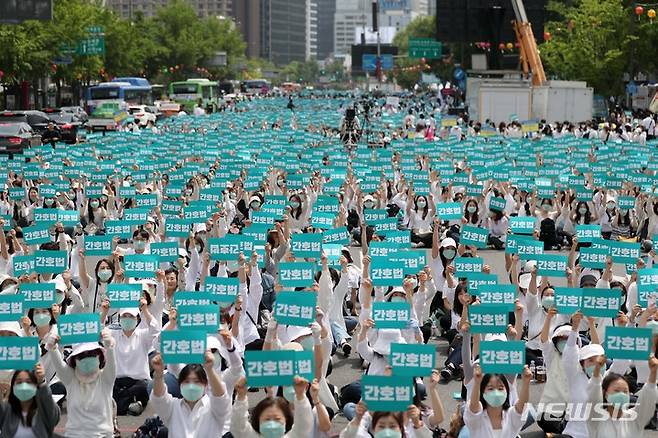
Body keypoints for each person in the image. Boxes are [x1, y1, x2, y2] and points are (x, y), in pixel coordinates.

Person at [45, 329, 116, 438]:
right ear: (74, 360)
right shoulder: (70, 379)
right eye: (81, 356)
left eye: (92, 354)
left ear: (100, 356)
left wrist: (109, 346)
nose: (87, 358)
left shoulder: (106, 379)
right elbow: (57, 361)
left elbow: (111, 360)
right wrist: (52, 347)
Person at [150, 350, 231, 437]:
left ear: (205, 385)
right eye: (187, 382)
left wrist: (210, 370)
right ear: (180, 385)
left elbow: (221, 397)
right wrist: (158, 373)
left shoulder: (214, 408)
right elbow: (159, 398)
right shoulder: (172, 407)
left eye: (197, 382)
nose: (191, 386)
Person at [0, 364, 60, 437]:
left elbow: (53, 415)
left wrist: (42, 383)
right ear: (13, 386)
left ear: (35, 385)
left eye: (28, 382)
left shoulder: (43, 411)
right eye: (19, 382)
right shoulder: (6, 409)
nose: (24, 386)